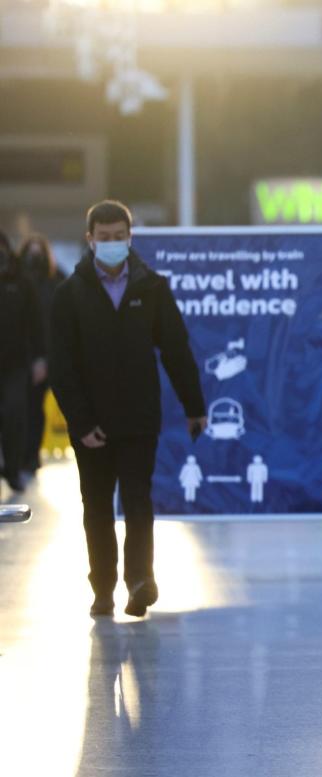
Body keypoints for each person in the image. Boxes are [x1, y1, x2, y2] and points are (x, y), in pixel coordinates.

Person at [48, 200, 208, 618]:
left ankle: (140, 582)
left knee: (138, 501)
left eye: (120, 237)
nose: (114, 244)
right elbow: (61, 367)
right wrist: (81, 422)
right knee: (97, 506)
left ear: (130, 237)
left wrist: (195, 406)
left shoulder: (151, 288)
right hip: (92, 424)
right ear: (90, 240)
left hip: (139, 417)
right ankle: (102, 588)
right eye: (105, 238)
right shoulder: (69, 294)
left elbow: (175, 350)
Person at [0, 230, 45, 496]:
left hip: (16, 363)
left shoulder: (21, 280)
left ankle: (13, 469)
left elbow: (35, 322)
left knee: (16, 414)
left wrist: (40, 357)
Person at [18, 234, 64, 478]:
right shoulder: (16, 283)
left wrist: (44, 358)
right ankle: (19, 456)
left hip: (47, 357)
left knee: (35, 408)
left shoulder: (56, 282)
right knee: (20, 409)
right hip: (18, 358)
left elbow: (54, 324)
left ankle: (31, 456)